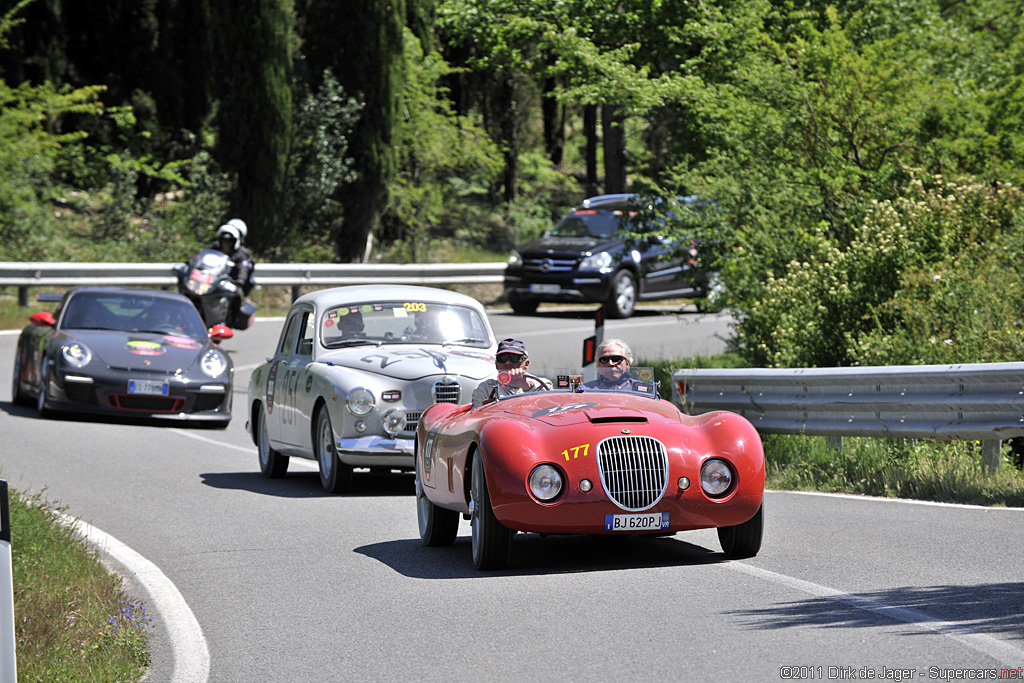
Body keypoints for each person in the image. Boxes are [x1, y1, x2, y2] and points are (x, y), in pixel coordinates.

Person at [472, 338, 551, 407]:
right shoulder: (485, 388)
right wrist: (487, 407)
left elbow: (548, 406)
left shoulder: (542, 384)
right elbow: (476, 417)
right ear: (496, 364)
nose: (508, 363)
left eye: (514, 358)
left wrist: (526, 386)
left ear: (526, 364)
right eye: (502, 358)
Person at [212, 220, 255, 296]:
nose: (226, 243)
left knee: (237, 294)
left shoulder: (241, 254)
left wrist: (240, 280)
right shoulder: (213, 249)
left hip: (231, 282)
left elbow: (244, 268)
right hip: (213, 281)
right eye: (224, 240)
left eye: (230, 241)